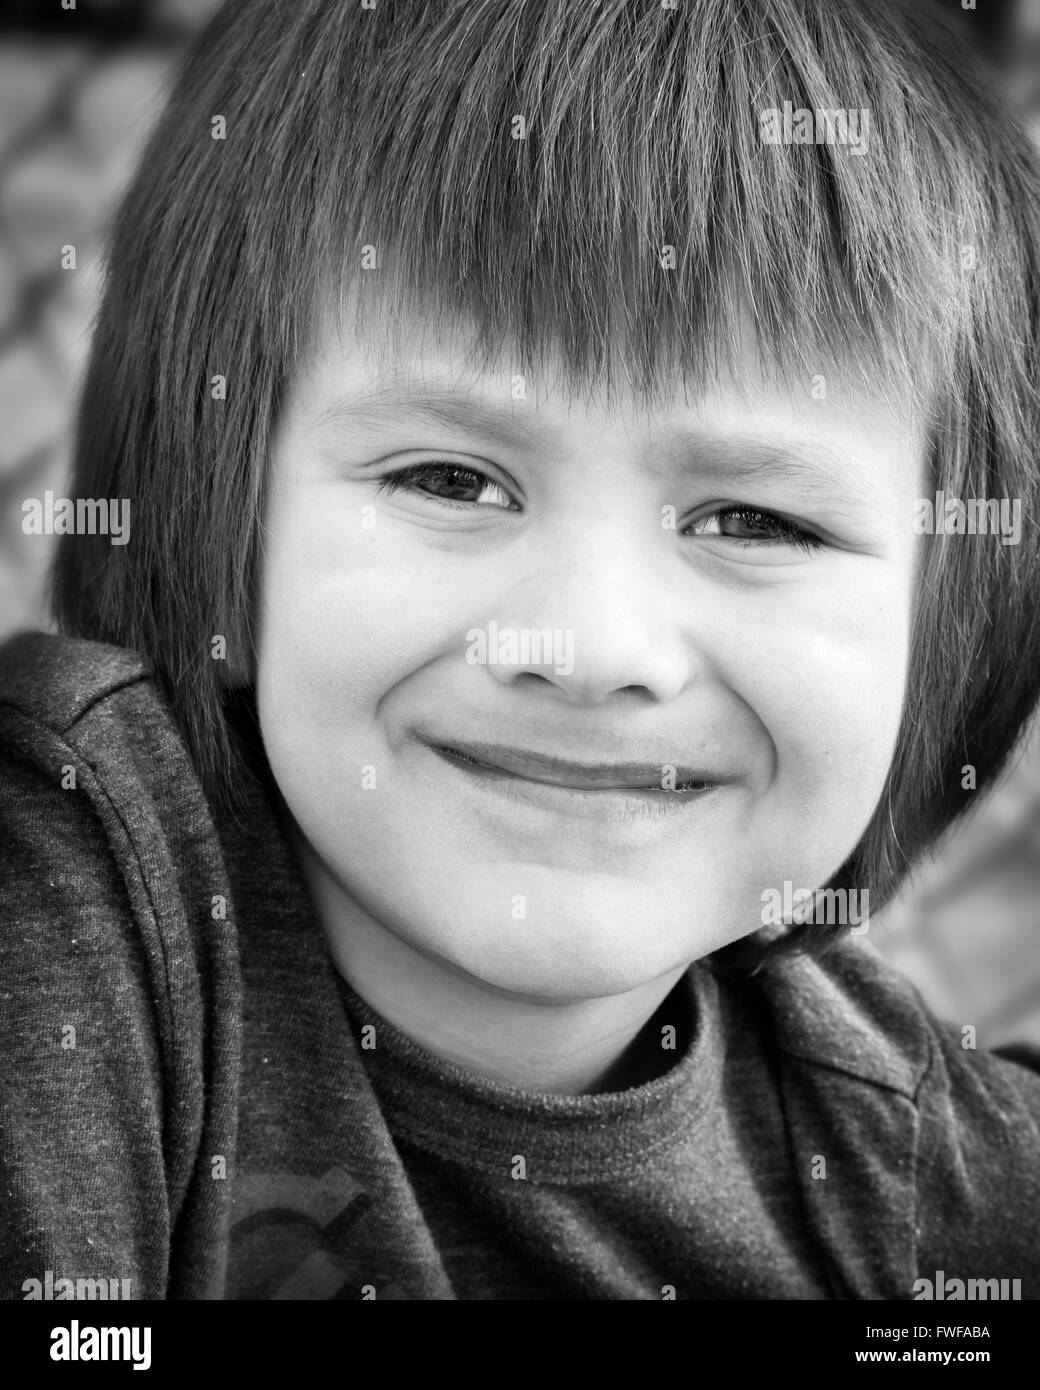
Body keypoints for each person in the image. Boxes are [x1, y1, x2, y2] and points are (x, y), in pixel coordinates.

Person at [2, 0, 1039, 1300]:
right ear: (224, 515)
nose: (592, 646)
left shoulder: (943, 1195)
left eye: (753, 519)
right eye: (451, 478)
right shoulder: (68, 874)